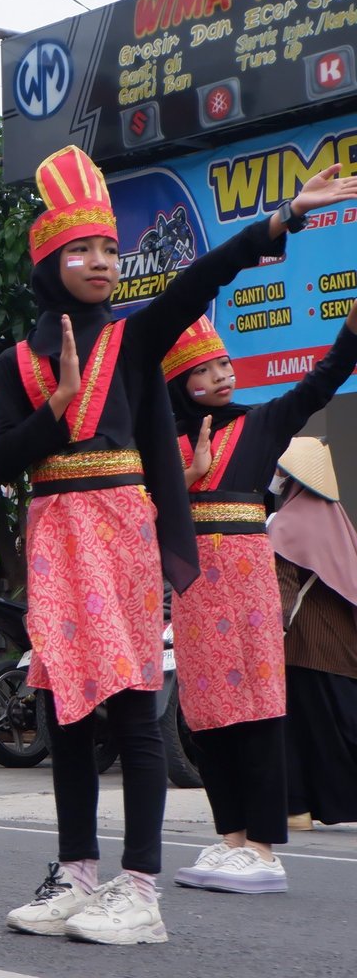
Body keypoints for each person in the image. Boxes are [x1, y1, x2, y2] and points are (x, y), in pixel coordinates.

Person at [0, 146, 355, 944]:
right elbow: (1, 458)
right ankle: (77, 873)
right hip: (54, 534)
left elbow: (203, 278)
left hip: (118, 531)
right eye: (80, 250)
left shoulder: (131, 339)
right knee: (62, 706)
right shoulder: (16, 362)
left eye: (110, 250)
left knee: (129, 710)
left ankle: (140, 888)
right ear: (48, 259)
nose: (98, 263)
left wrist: (284, 217)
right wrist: (52, 410)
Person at [165, 306, 357, 892]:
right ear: (180, 384)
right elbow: (145, 516)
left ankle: (265, 849)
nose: (224, 373)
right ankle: (230, 841)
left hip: (247, 581)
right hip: (195, 587)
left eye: (226, 362)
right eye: (209, 368)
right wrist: (190, 473)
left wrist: (350, 332)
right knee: (208, 714)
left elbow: (321, 381)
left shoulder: (264, 422)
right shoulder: (162, 444)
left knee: (257, 707)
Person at [271, 437, 357, 832]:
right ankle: (299, 808)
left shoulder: (286, 523)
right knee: (338, 728)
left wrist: (269, 636)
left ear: (290, 477)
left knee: (298, 732)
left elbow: (284, 588)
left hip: (301, 646)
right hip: (342, 647)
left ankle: (297, 808)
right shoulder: (338, 519)